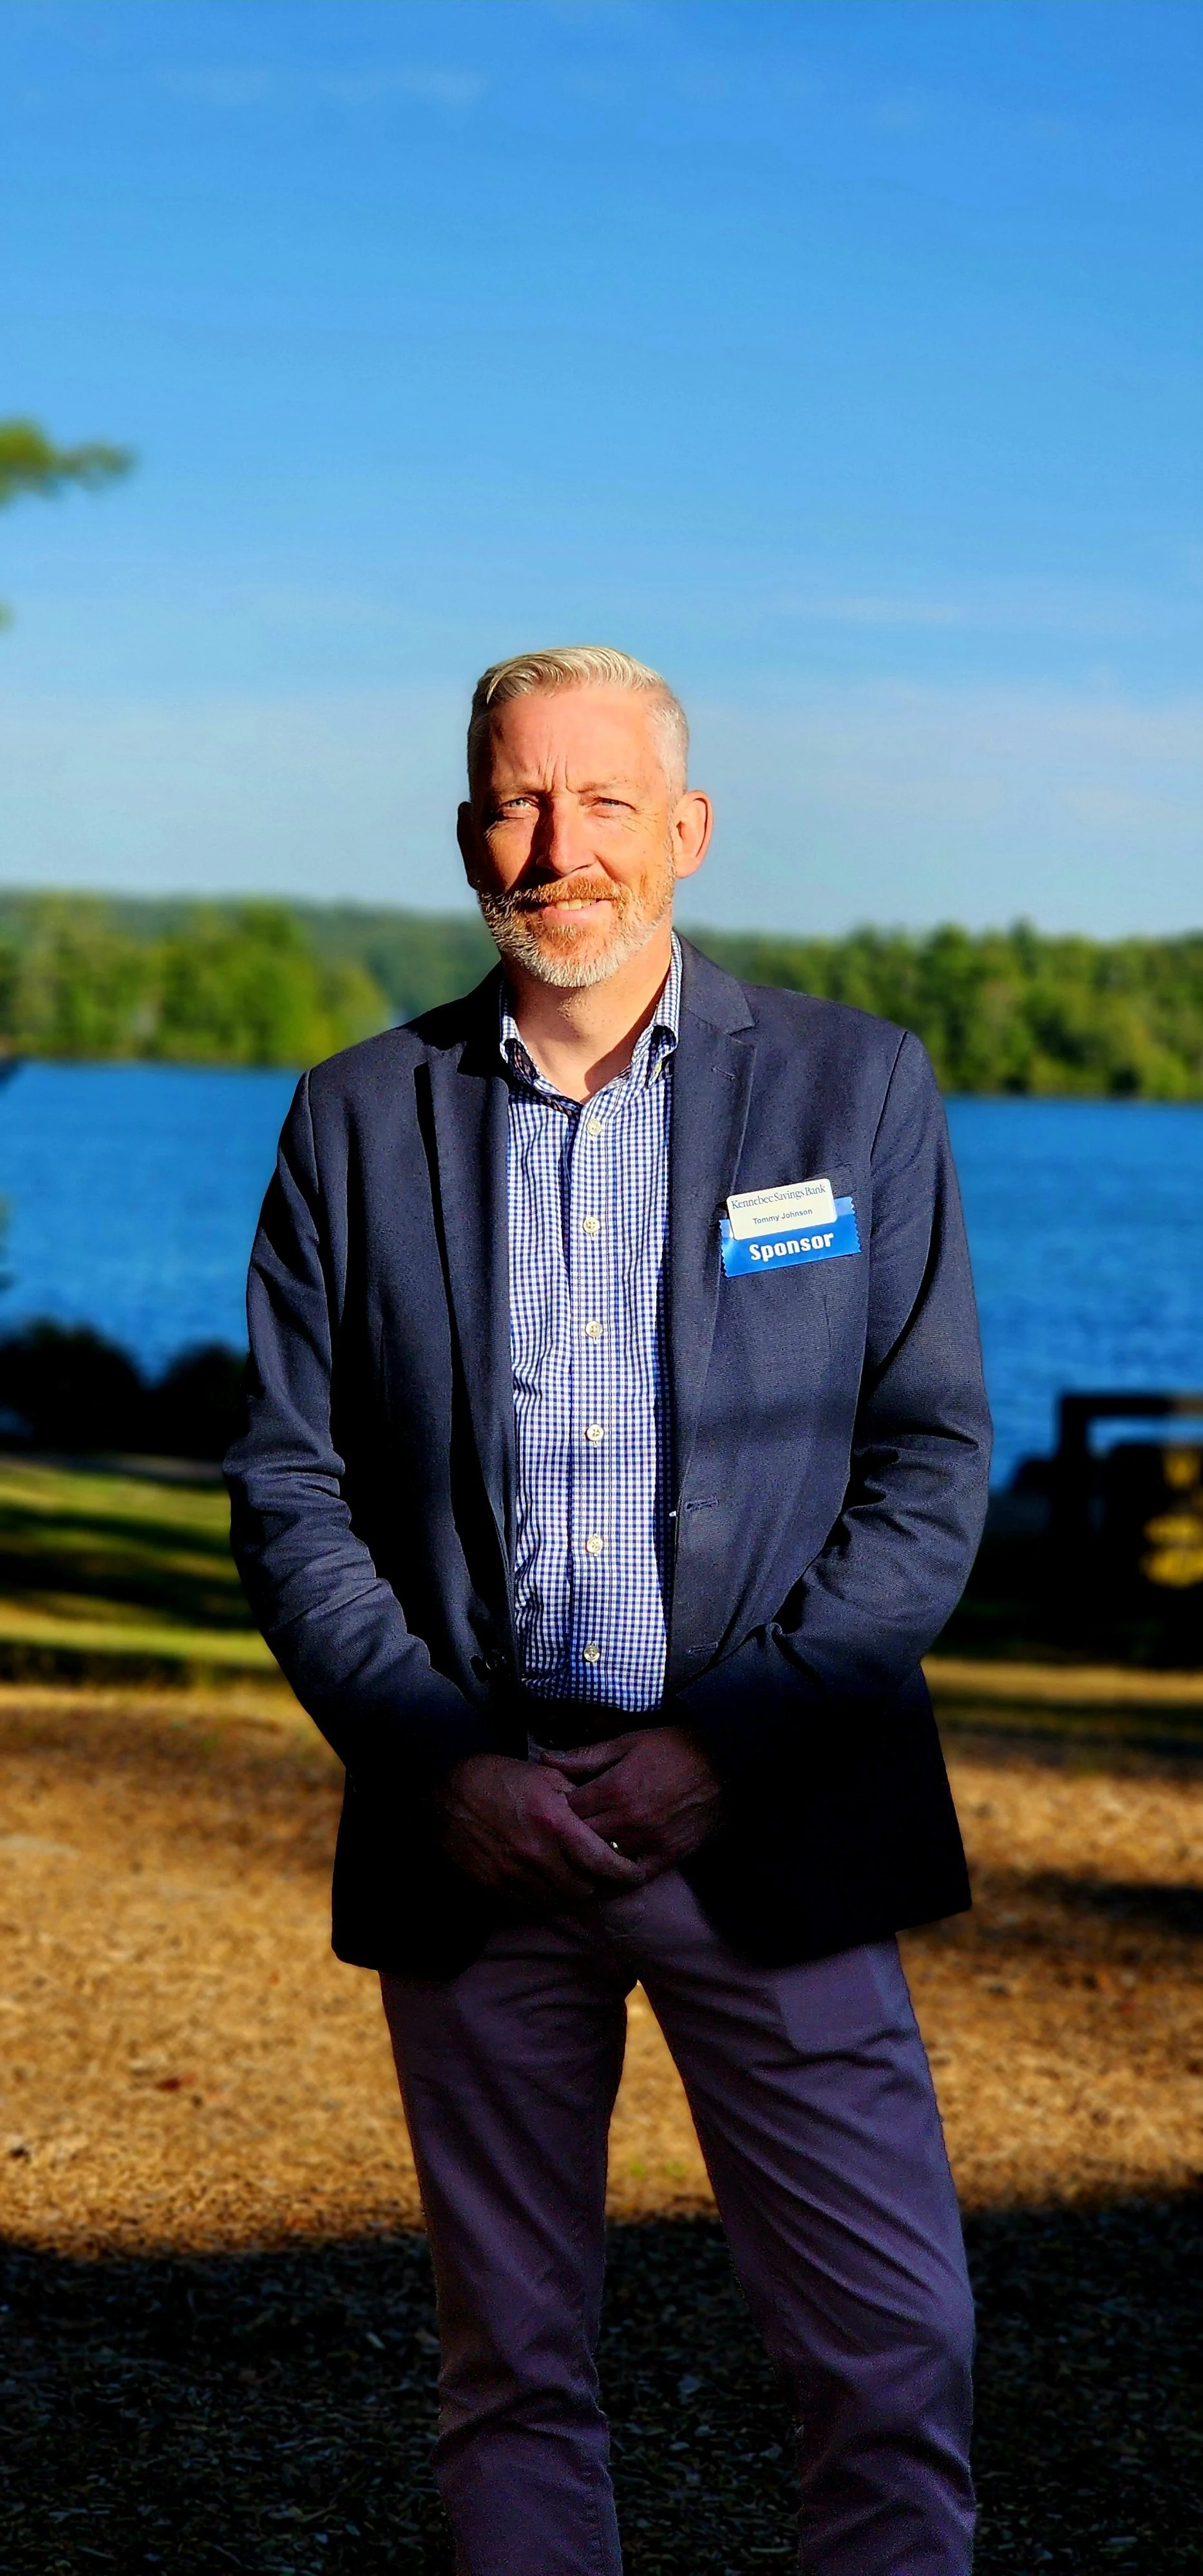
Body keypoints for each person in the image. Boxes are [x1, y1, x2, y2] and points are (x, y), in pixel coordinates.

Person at [226, 645, 991, 2576]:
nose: (553, 846)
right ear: (467, 830)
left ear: (687, 832)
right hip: (476, 1839)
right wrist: (436, 1762)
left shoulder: (852, 1089)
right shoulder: (350, 1118)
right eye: (512, 801)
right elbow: (291, 1490)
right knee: (510, 2379)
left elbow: (925, 1467)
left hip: (777, 1816)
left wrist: (716, 1744)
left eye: (598, 804)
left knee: (890, 2360)